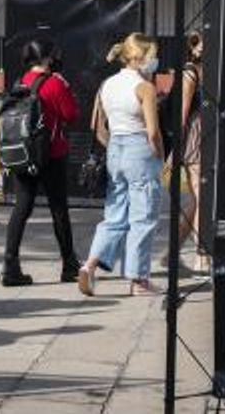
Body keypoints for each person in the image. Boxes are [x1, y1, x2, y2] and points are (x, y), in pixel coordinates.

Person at [78, 33, 165, 297]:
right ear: (144, 57)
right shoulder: (145, 88)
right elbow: (153, 131)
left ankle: (90, 264)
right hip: (140, 149)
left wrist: (115, 147)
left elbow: (98, 128)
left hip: (116, 148)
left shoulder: (107, 84)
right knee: (143, 217)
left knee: (115, 214)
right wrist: (160, 156)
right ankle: (138, 280)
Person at [0, 38, 81, 287]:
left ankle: (10, 266)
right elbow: (71, 115)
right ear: (46, 58)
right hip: (52, 153)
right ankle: (69, 266)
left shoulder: (20, 81)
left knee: (21, 208)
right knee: (58, 209)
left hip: (23, 153)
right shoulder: (55, 83)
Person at [161, 33, 211, 274]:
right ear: (195, 47)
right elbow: (181, 113)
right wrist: (177, 149)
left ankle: (172, 252)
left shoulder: (205, 70)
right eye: (203, 42)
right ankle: (201, 254)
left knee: (196, 200)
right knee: (201, 197)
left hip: (206, 134)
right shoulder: (190, 72)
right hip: (194, 136)